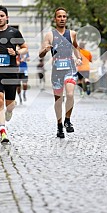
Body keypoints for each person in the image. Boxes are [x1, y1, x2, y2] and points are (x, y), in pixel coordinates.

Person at [0, 5, 28, 143]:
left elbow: (25, 48)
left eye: (2, 16)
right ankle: (2, 131)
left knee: (10, 104)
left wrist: (16, 52)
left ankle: (8, 112)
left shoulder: (14, 32)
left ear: (7, 17)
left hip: (11, 71)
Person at [39, 7, 82, 138]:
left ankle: (67, 121)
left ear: (66, 18)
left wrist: (79, 58)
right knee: (58, 100)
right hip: (57, 71)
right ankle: (59, 126)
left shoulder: (72, 33)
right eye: (59, 16)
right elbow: (40, 54)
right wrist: (45, 50)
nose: (62, 19)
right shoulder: (49, 35)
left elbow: (76, 47)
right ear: (55, 19)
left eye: (64, 16)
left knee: (70, 94)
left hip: (70, 68)